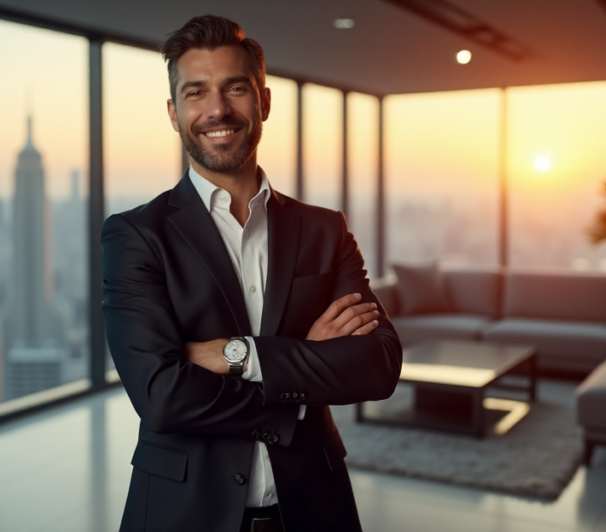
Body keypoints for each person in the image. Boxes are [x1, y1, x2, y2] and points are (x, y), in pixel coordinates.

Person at [102, 15, 402, 532]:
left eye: (235, 88)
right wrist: (302, 383)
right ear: (174, 114)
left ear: (263, 102)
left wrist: (235, 354)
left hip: (314, 507)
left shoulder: (324, 229)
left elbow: (378, 364)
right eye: (196, 93)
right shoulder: (135, 235)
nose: (217, 109)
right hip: (183, 513)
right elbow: (161, 398)